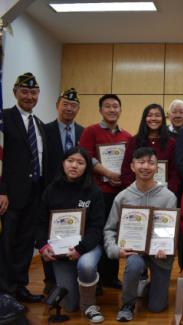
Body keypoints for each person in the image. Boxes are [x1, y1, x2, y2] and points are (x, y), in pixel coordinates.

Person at [104, 147, 177, 322]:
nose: (146, 166)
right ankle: (128, 303)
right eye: (141, 162)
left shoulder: (169, 197)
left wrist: (166, 247)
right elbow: (109, 229)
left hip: (159, 254)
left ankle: (145, 286)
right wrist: (115, 250)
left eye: (151, 163)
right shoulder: (122, 197)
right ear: (132, 166)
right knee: (135, 264)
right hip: (134, 250)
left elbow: (171, 230)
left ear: (157, 168)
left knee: (157, 307)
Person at [36, 147, 105, 322]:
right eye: (70, 161)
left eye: (80, 162)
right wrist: (43, 245)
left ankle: (89, 304)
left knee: (86, 265)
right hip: (60, 251)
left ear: (86, 167)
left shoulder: (94, 192)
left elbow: (97, 227)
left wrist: (80, 249)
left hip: (87, 247)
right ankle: (82, 289)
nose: (74, 165)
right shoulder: (51, 190)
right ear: (63, 163)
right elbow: (41, 222)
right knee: (69, 305)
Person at [0, 72, 46, 302]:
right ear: (15, 93)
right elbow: (1, 158)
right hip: (10, 196)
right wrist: (2, 190)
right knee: (7, 244)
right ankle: (5, 291)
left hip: (34, 194)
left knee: (26, 244)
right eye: (24, 92)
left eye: (33, 92)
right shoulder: (4, 118)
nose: (29, 96)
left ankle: (20, 287)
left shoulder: (38, 124)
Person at [79, 94, 132, 289]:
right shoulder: (90, 131)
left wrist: (122, 177)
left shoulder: (127, 136)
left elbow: (129, 164)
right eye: (107, 106)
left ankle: (111, 276)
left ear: (120, 110)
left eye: (115, 106)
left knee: (116, 233)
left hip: (119, 193)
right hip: (97, 192)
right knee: (98, 232)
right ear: (100, 110)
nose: (112, 110)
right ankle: (97, 278)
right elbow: (87, 158)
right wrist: (109, 173)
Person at [42, 87, 85, 294]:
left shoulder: (83, 132)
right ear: (57, 105)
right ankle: (50, 280)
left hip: (76, 193)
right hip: (52, 191)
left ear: (78, 109)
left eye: (73, 105)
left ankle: (78, 278)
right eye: (65, 104)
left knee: (73, 234)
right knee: (50, 234)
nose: (69, 108)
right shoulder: (44, 130)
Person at [120, 103, 180, 195]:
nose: (153, 119)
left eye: (157, 115)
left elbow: (175, 172)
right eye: (149, 115)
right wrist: (132, 192)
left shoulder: (171, 143)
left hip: (163, 195)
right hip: (136, 194)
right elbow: (126, 169)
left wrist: (168, 193)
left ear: (163, 119)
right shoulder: (134, 141)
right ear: (144, 118)